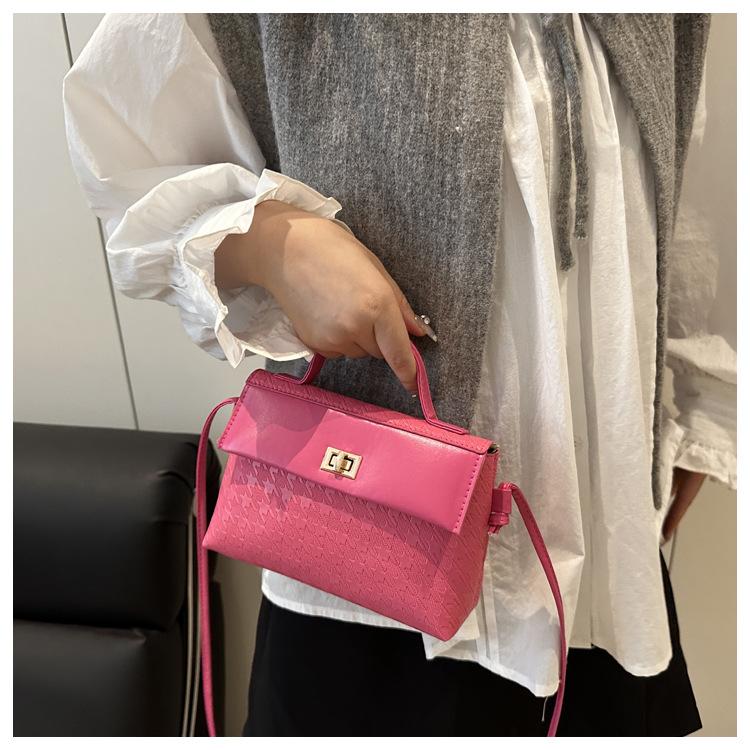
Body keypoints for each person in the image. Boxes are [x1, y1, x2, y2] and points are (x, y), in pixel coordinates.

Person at [63, 13, 736, 736]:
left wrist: (697, 405)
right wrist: (275, 244)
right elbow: (123, 144)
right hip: (365, 569)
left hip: (609, 548)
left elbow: (691, 176)